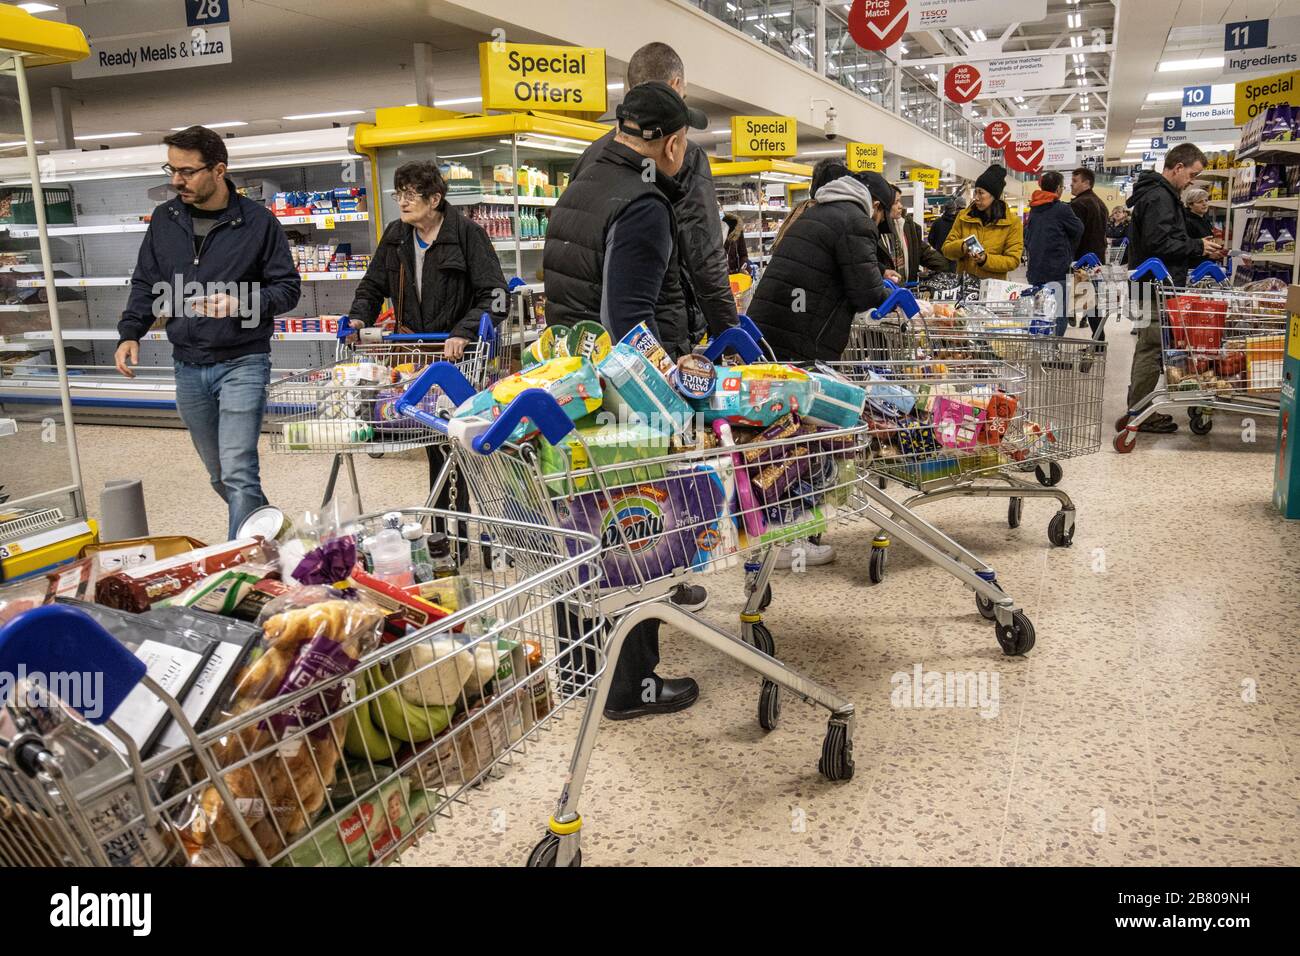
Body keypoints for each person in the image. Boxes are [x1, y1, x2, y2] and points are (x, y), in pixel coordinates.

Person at [543, 81, 708, 720]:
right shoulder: (644, 205)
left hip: (568, 383)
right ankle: (631, 686)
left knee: (577, 527)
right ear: (671, 144)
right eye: (685, 139)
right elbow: (628, 321)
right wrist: (675, 378)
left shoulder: (582, 185)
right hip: (616, 399)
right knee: (631, 529)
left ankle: (584, 671)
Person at [114, 126, 301, 540]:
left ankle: (241, 565)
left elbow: (288, 289)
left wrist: (241, 302)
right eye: (171, 168)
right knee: (219, 475)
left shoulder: (257, 223)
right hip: (188, 365)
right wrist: (131, 333)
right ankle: (274, 534)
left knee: (238, 469)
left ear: (219, 170)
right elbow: (146, 281)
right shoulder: (166, 219)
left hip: (243, 361)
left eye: (187, 171)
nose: (176, 180)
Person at [345, 160, 507, 537]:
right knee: (434, 442)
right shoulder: (397, 236)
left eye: (411, 195)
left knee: (455, 444)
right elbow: (372, 285)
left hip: (460, 358)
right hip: (416, 354)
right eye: (398, 194)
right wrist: (357, 318)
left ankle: (458, 528)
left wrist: (464, 332)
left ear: (435, 198)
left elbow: (496, 296)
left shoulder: (468, 235)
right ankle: (442, 532)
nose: (402, 202)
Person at [570, 42, 737, 355]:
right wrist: (731, 337)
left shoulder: (589, 157)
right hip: (652, 339)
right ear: (675, 87)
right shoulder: (677, 164)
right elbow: (704, 257)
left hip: (581, 349)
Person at [1124, 143, 1222, 433]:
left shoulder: (1162, 195)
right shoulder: (1159, 198)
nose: (1192, 180)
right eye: (1192, 174)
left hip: (1154, 284)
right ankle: (1139, 412)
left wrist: (1200, 250)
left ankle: (1137, 408)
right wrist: (1197, 246)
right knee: (1152, 347)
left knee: (1151, 347)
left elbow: (1166, 241)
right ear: (1178, 168)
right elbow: (1159, 243)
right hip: (1153, 285)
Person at [941, 165, 1024, 282]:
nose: (976, 198)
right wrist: (962, 246)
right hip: (964, 287)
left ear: (994, 195)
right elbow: (946, 249)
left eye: (981, 193)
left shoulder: (1012, 223)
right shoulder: (964, 217)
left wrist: (985, 260)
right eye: (975, 192)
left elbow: (1013, 260)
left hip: (992, 290)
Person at [1025, 171, 1084, 336]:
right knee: (1059, 313)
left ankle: (1040, 345)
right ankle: (1053, 348)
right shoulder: (1062, 209)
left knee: (1039, 312)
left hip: (1035, 270)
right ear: (1058, 188)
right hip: (1057, 270)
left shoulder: (1034, 209)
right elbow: (1078, 229)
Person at [886, 186, 951, 284]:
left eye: (900, 201)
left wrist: (946, 265)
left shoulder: (907, 226)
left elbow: (920, 250)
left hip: (907, 288)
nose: (900, 206)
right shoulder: (876, 231)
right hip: (886, 292)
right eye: (896, 202)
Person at [1069, 167, 1108, 262]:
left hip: (1082, 258)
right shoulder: (1100, 203)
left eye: (1075, 181)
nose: (1071, 184)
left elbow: (1074, 235)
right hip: (1098, 256)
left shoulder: (1078, 204)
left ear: (1086, 183)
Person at [1181, 186, 1218, 270]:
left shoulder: (1204, 219)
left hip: (1205, 264)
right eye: (1200, 202)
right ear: (1190, 205)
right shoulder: (1187, 222)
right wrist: (1209, 255)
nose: (1204, 204)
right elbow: (1186, 247)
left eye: (1206, 200)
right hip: (1194, 267)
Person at [927, 196, 960, 270]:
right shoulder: (958, 223)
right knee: (955, 279)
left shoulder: (937, 222)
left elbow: (930, 239)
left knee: (941, 279)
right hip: (955, 258)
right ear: (955, 209)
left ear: (945, 209)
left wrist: (938, 246)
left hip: (940, 256)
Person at [721, 206, 750, 275]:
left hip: (734, 277)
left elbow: (743, 255)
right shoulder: (706, 231)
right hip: (715, 278)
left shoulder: (735, 226)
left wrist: (743, 267)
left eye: (719, 207)